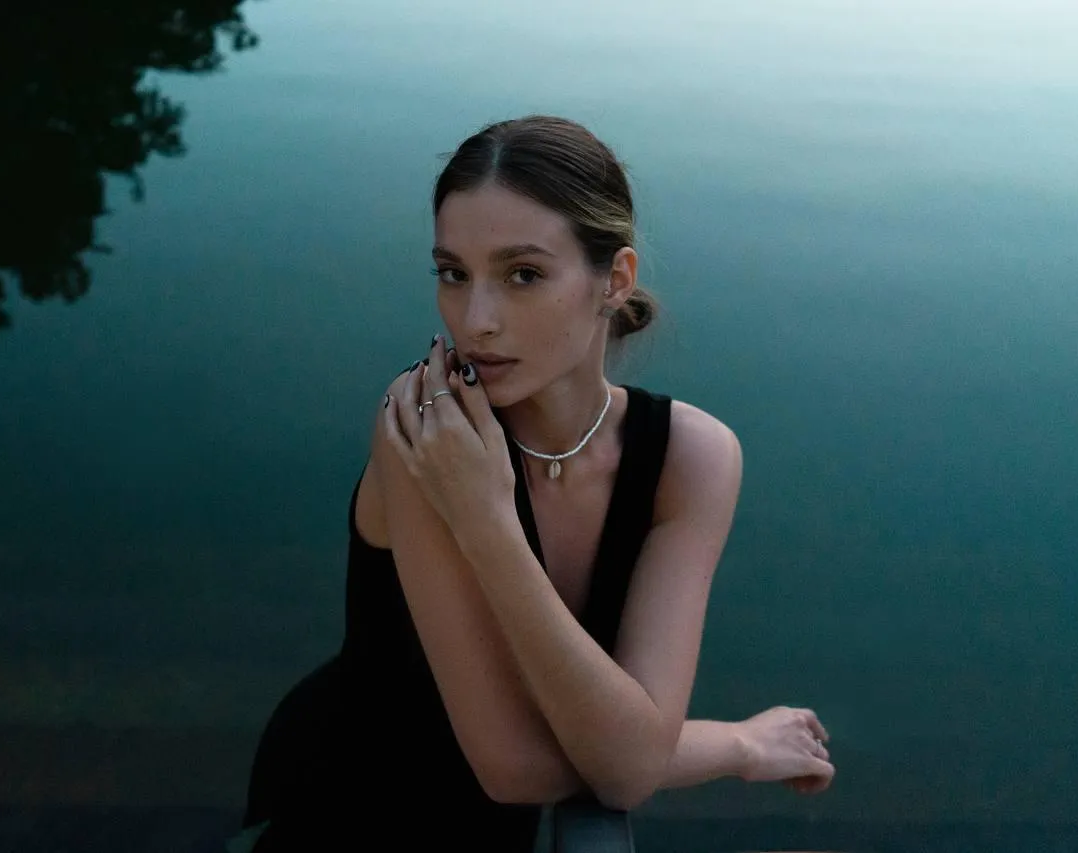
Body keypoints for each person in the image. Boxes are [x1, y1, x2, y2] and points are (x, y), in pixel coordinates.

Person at [237, 115, 835, 852]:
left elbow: (630, 763)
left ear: (614, 280)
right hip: (346, 815)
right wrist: (732, 745)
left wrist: (488, 521)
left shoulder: (693, 458)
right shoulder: (426, 434)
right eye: (453, 273)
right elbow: (521, 767)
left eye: (522, 274)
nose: (476, 320)